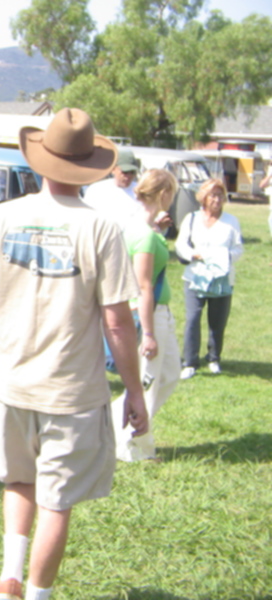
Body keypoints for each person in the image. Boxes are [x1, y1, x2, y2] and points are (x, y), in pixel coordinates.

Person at [0, 108, 148, 600]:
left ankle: (8, 580)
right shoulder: (101, 228)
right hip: (73, 394)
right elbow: (118, 320)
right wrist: (136, 393)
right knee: (56, 504)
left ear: (40, 161)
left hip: (13, 387)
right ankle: (34, 595)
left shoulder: (3, 216)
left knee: (18, 482)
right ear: (88, 166)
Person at [110, 169, 181, 462]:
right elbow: (143, 287)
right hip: (148, 315)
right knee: (148, 381)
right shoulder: (144, 235)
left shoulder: (143, 229)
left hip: (156, 312)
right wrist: (149, 335)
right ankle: (133, 445)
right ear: (163, 194)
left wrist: (159, 231)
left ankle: (115, 428)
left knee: (168, 374)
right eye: (172, 193)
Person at [175, 178, 243, 379]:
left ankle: (214, 358)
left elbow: (238, 247)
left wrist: (225, 257)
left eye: (221, 195)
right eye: (213, 195)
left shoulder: (231, 221)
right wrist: (193, 255)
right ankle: (190, 361)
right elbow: (181, 245)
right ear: (203, 198)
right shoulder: (192, 218)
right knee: (193, 318)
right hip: (195, 277)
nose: (217, 199)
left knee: (217, 321)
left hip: (221, 278)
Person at [82, 148, 142, 231]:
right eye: (124, 172)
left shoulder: (141, 191)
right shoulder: (96, 190)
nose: (128, 176)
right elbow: (86, 218)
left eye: (132, 172)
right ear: (113, 169)